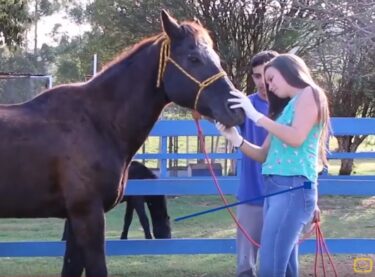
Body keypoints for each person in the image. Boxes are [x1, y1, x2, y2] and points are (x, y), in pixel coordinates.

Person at [217, 53, 328, 277]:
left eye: (271, 78)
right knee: (285, 266)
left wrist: (255, 115)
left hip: (293, 190)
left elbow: (296, 137)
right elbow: (262, 155)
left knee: (270, 264)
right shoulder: (284, 111)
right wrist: (234, 138)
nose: (268, 85)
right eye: (265, 80)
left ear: (289, 71)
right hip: (276, 190)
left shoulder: (311, 93)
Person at [235, 50, 278, 277]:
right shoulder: (244, 105)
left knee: (278, 259)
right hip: (251, 192)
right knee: (245, 263)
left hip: (283, 195)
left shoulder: (292, 106)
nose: (262, 82)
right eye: (256, 76)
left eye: (266, 75)